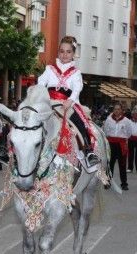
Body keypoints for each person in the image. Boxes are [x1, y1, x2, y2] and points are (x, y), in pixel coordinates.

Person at [37, 35, 99, 167]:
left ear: (73, 54)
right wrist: (41, 95)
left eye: (68, 51)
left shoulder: (76, 72)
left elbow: (77, 88)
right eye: (62, 51)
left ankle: (88, 151)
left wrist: (70, 101)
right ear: (58, 52)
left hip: (66, 104)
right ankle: (13, 148)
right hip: (49, 103)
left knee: (79, 121)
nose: (64, 55)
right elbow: (41, 82)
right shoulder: (50, 69)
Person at [103, 103, 132, 191]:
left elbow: (129, 133)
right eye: (115, 109)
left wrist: (121, 138)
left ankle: (124, 184)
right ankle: (107, 182)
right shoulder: (108, 120)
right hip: (111, 143)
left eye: (118, 109)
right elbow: (106, 131)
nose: (117, 111)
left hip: (121, 144)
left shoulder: (126, 121)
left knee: (122, 165)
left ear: (122, 110)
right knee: (109, 164)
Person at [128, 106, 137, 173]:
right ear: (132, 115)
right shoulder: (128, 122)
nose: (135, 115)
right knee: (130, 154)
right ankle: (130, 167)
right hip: (130, 139)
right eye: (134, 114)